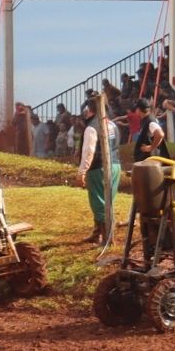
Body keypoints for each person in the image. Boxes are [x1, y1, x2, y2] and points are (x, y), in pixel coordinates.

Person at [75, 102, 121, 245]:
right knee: (108, 201)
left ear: (89, 110)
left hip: (98, 168)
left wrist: (82, 171)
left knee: (98, 203)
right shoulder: (112, 124)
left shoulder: (91, 127)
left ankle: (107, 237)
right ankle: (98, 233)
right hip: (115, 165)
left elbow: (89, 151)